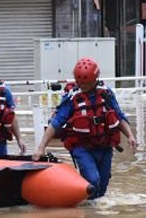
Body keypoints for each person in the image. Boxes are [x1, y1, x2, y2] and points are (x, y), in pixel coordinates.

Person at [33, 57, 137, 200]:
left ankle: (94, 216)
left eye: (87, 83)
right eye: (80, 82)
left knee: (102, 191)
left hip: (105, 147)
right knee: (93, 181)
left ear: (96, 79)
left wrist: (130, 136)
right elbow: (55, 123)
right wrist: (41, 147)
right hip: (82, 148)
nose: (83, 86)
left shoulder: (106, 94)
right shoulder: (72, 98)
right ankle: (86, 212)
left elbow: (119, 116)